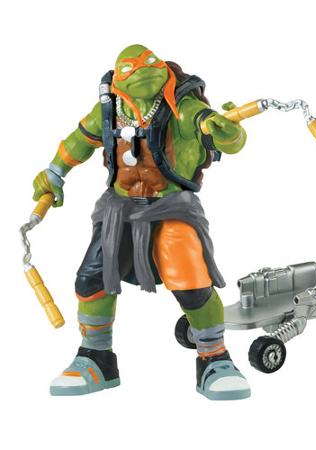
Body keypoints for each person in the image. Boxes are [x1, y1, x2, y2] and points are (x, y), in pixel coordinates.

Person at [32, 44, 250, 401]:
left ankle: (215, 358)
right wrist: (54, 173)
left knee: (192, 281)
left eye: (149, 66)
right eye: (131, 70)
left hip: (171, 206)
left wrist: (228, 132)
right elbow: (79, 141)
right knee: (92, 278)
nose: (142, 74)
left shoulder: (182, 106)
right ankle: (95, 358)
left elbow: (223, 135)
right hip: (118, 209)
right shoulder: (109, 107)